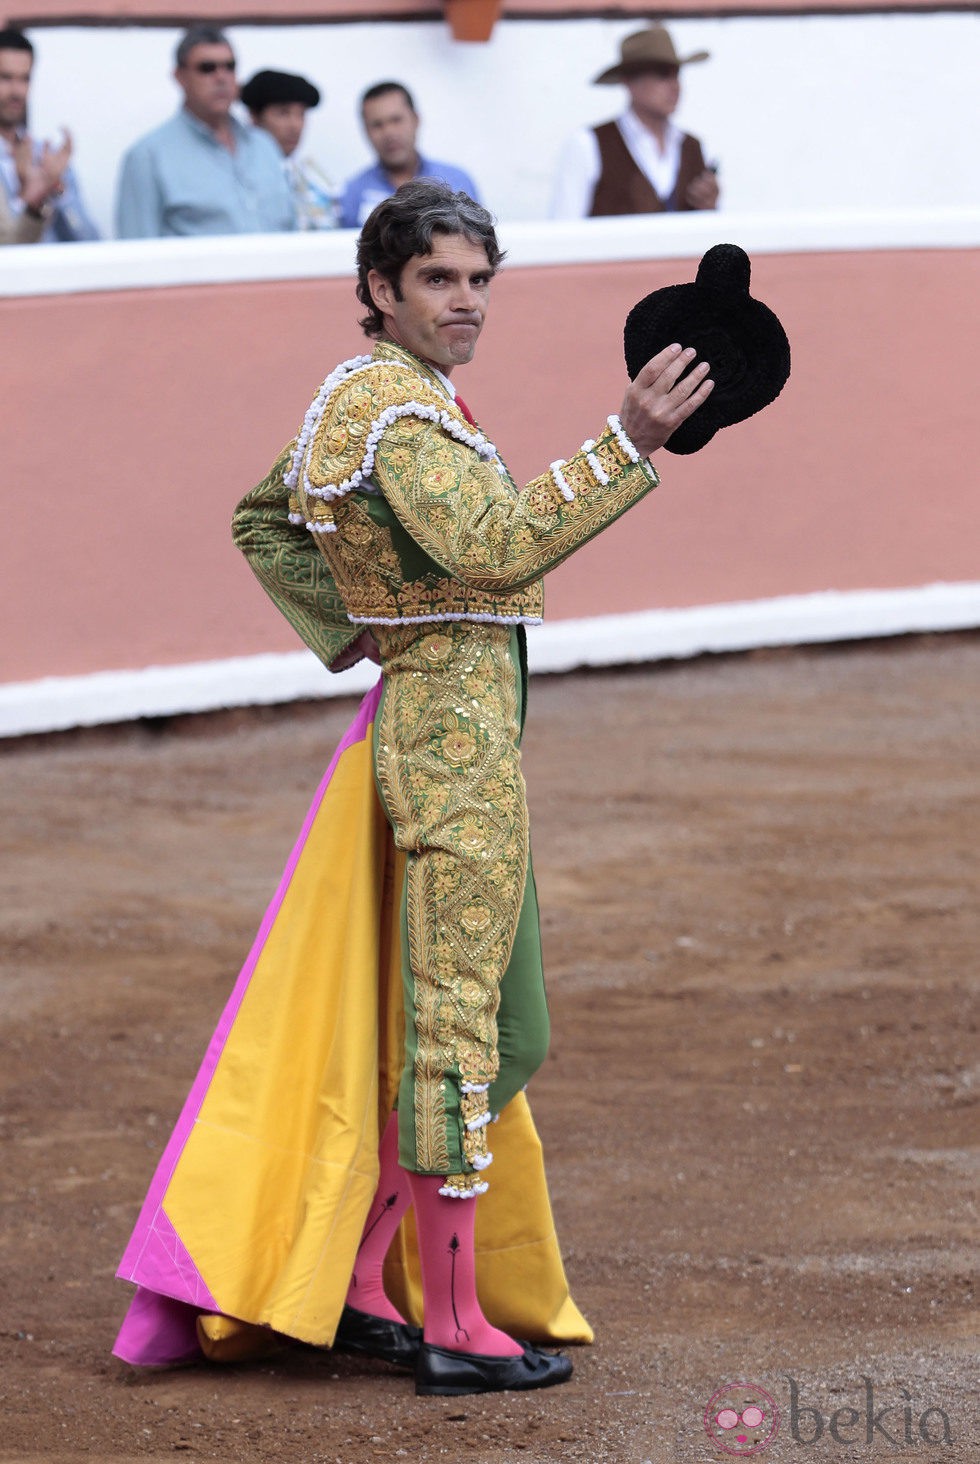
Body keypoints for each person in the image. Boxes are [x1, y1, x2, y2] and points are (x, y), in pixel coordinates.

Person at [111, 181, 713, 1397]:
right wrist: (626, 442)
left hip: (433, 727)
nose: (467, 303)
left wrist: (369, 625)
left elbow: (263, 521)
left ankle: (352, 1281)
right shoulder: (400, 418)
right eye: (439, 280)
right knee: (456, 1027)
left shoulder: (359, 400)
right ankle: (451, 1323)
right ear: (379, 290)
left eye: (480, 281)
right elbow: (493, 547)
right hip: (453, 751)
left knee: (474, 1016)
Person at [115, 26, 294, 238]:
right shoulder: (149, 157)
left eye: (230, 67)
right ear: (180, 77)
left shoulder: (263, 146)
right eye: (207, 68)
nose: (221, 77)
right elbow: (138, 250)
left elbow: (289, 232)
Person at [551, 24, 720, 219]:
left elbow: (711, 235)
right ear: (629, 81)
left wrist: (710, 208)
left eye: (677, 74)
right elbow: (563, 229)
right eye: (662, 75)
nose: (675, 86)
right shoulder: (588, 144)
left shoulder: (692, 147)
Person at [0, 27, 100, 243]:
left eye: (24, 79)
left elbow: (91, 244)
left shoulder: (47, 157)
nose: (16, 91)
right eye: (5, 78)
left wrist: (59, 192)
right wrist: (28, 199)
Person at [339, 81, 479, 229]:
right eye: (377, 125)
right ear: (366, 131)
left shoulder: (457, 181)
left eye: (396, 120)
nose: (389, 133)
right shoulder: (353, 193)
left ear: (416, 120)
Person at [240, 67, 339, 230]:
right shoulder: (238, 176)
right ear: (254, 116)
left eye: (301, 114)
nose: (295, 126)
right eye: (283, 113)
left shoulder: (313, 178)